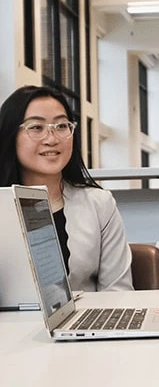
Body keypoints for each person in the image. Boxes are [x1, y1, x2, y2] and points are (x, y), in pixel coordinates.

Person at [0, 85, 133, 292]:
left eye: (62, 126)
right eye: (36, 127)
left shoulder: (100, 204)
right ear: (10, 135)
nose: (52, 139)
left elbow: (119, 291)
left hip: (88, 323)